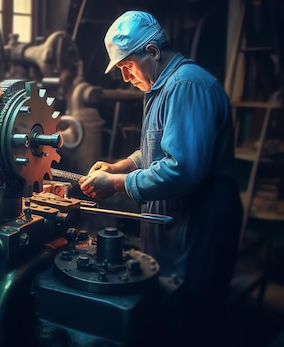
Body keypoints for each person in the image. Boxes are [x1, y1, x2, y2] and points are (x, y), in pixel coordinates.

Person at [78, 10, 242, 347]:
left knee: (193, 315)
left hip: (200, 226)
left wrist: (119, 184)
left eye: (127, 66)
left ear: (152, 52)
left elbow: (182, 168)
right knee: (166, 309)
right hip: (175, 221)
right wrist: (118, 166)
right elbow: (155, 152)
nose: (125, 77)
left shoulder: (186, 86)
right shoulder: (161, 86)